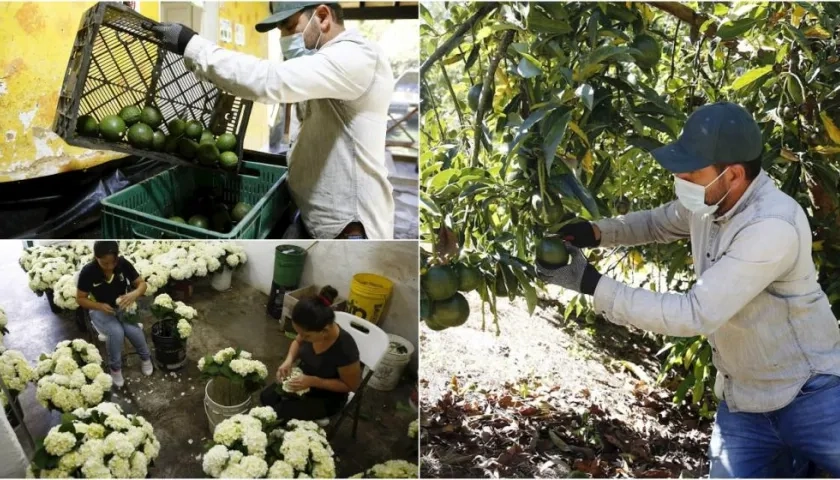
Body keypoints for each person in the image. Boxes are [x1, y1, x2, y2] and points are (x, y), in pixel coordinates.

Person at [537, 102, 840, 477]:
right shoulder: (710, 202)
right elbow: (657, 223)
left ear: (733, 175)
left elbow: (695, 313)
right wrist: (597, 232)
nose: (680, 177)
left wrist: (593, 285)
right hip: (744, 402)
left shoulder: (771, 225)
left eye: (692, 171)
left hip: (812, 394)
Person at [148, 2, 396, 240]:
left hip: (349, 228)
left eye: (289, 26)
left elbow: (270, 80)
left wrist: (192, 45)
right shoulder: (322, 63)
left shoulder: (355, 55)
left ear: (322, 17)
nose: (284, 38)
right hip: (320, 219)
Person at [260, 286, 361, 420]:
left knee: (279, 412)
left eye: (306, 336)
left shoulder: (345, 349)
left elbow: (350, 386)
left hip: (327, 396)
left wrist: (314, 381)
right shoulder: (310, 328)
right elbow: (297, 342)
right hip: (304, 378)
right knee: (266, 398)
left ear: (324, 331)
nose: (301, 337)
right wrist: (289, 360)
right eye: (300, 333)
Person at [76, 241, 153, 388]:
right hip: (99, 309)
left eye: (113, 262)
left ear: (117, 257)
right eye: (105, 263)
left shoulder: (123, 264)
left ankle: (146, 358)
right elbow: (80, 299)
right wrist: (99, 305)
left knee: (132, 329)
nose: (110, 266)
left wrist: (134, 293)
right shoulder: (88, 272)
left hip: (122, 304)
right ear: (96, 257)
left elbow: (142, 284)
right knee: (116, 331)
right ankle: (115, 368)